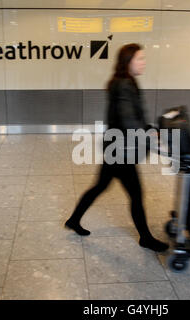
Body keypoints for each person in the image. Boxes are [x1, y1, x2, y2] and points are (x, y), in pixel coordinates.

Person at [65, 43, 169, 252]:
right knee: (136, 195)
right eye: (140, 58)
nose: (144, 62)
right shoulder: (124, 85)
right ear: (128, 62)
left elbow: (133, 118)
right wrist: (150, 139)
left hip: (117, 146)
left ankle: (74, 220)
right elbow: (128, 121)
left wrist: (149, 129)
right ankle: (146, 238)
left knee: (100, 186)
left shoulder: (126, 82)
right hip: (121, 151)